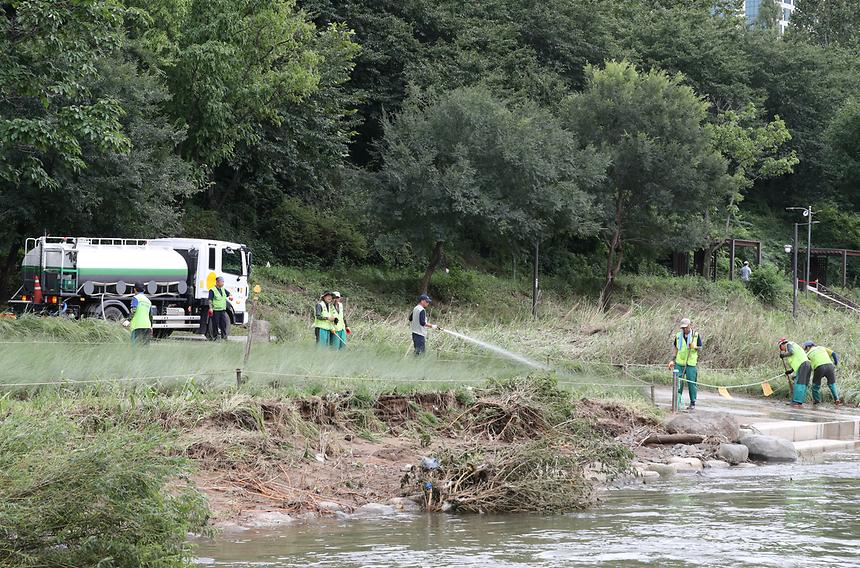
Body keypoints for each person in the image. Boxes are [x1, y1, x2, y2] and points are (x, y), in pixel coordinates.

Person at [668, 318, 702, 410]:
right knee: (678, 382)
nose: (684, 329)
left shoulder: (696, 335)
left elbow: (700, 348)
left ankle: (692, 403)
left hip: (691, 363)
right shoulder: (678, 336)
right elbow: (675, 348)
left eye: (686, 327)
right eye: (683, 328)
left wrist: (695, 347)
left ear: (690, 325)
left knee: (692, 383)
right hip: (679, 363)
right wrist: (672, 360)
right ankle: (677, 402)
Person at [802, 341, 843, 405]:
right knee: (832, 384)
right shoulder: (822, 348)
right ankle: (836, 399)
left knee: (815, 386)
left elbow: (806, 365)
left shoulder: (808, 354)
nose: (806, 350)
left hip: (819, 367)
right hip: (830, 366)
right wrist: (836, 363)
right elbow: (834, 354)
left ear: (808, 347)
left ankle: (817, 401)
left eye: (805, 348)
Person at [778, 338, 811, 407]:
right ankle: (799, 401)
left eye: (780, 348)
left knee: (799, 383)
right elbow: (797, 359)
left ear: (782, 344)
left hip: (803, 365)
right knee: (803, 384)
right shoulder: (795, 346)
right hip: (806, 365)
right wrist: (791, 370)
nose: (781, 350)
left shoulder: (789, 344)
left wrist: (783, 355)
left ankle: (796, 401)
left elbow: (791, 352)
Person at [209, 276, 231, 340]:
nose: (223, 283)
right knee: (215, 324)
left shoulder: (223, 289)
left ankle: (224, 337)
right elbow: (210, 300)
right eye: (222, 282)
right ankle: (215, 337)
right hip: (215, 310)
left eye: (223, 282)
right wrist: (210, 308)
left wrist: (230, 296)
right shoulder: (212, 290)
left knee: (223, 324)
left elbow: (229, 294)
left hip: (222, 310)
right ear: (217, 282)